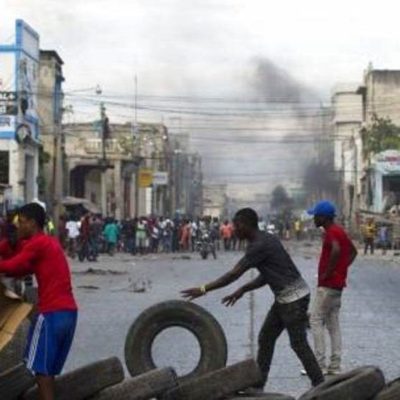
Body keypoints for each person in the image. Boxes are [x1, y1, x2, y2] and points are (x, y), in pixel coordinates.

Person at [181, 208, 324, 392]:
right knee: (266, 338)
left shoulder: (259, 245)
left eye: (236, 225)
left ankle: (320, 385)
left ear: (246, 225)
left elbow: (234, 274)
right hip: (287, 297)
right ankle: (259, 384)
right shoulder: (265, 239)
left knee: (298, 343)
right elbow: (269, 274)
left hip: (293, 299)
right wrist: (243, 289)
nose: (234, 229)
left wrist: (203, 289)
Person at [0, 203, 78, 400]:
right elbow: (18, 269)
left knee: (41, 371)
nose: (18, 226)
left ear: (32, 223)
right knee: (47, 370)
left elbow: (14, 264)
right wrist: (7, 245)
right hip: (68, 313)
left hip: (51, 313)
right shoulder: (48, 243)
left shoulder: (38, 244)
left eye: (22, 222)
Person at [307, 200, 357, 375]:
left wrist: (328, 273)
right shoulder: (339, 231)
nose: (313, 219)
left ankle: (318, 365)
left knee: (315, 319)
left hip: (328, 286)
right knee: (333, 324)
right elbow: (353, 252)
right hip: (337, 286)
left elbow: (336, 250)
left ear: (323, 217)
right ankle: (335, 366)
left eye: (315, 216)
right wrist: (342, 270)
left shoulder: (331, 233)